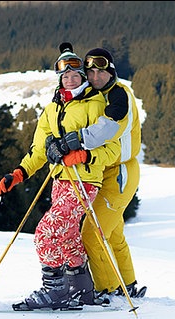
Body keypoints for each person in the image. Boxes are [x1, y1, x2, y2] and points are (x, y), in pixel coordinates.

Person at [0, 42, 120, 311]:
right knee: (66, 235)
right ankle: (81, 289)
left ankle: (55, 291)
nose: (71, 79)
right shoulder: (52, 109)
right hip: (60, 182)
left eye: (76, 75)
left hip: (84, 182)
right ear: (60, 79)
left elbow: (113, 148)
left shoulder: (96, 103)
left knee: (46, 232)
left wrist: (86, 156)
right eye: (66, 76)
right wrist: (19, 173)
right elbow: (39, 149)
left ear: (83, 77)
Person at [48, 47, 145, 298]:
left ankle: (107, 288)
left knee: (92, 233)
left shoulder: (119, 95)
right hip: (106, 169)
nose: (94, 76)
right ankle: (128, 284)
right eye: (90, 71)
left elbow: (106, 130)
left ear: (111, 70)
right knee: (113, 233)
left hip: (120, 171)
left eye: (100, 71)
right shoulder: (97, 96)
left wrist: (74, 141)